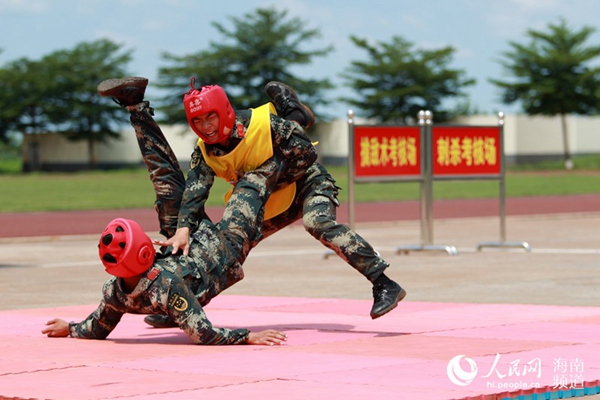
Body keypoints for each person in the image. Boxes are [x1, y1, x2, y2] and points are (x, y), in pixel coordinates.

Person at [41, 76, 315, 345]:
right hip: (224, 250)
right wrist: (248, 336)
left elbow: (97, 327)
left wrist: (71, 327)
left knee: (166, 183)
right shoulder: (168, 289)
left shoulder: (115, 291)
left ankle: (135, 107)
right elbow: (203, 333)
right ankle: (295, 118)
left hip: (183, 244)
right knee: (257, 177)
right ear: (145, 253)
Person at [162, 77, 407, 322]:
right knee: (228, 250)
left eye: (210, 117)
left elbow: (307, 154)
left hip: (307, 183)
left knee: (317, 223)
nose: (206, 127)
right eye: (198, 121)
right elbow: (195, 190)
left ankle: (384, 283)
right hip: (268, 201)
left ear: (225, 111)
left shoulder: (261, 125)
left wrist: (262, 176)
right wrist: (183, 228)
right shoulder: (205, 150)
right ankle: (184, 307)